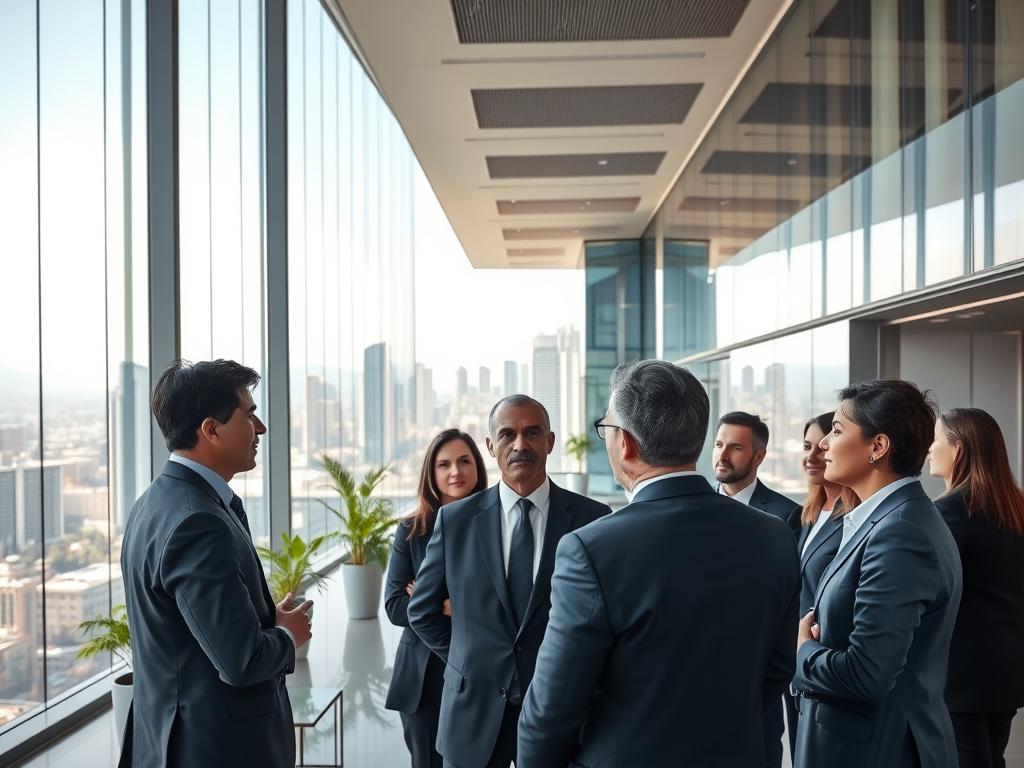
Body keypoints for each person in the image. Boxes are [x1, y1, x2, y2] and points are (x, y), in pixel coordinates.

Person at [517, 360, 799, 768]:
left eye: (607, 430)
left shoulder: (591, 548)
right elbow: (775, 672)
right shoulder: (774, 536)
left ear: (626, 443)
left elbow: (552, 709)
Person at [119, 360, 312, 768]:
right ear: (211, 429)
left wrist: (263, 618)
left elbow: (188, 635)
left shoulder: (153, 503)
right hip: (216, 748)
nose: (260, 429)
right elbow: (241, 663)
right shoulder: (198, 521)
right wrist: (287, 635)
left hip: (171, 737)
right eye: (249, 414)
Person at [408, 395, 610, 768]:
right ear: (490, 446)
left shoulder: (593, 519)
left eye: (532, 433)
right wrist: (468, 662)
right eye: (507, 434)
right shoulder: (455, 521)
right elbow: (420, 612)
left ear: (549, 442)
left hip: (560, 717)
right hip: (472, 716)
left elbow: (605, 620)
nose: (520, 444)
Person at [792, 379, 962, 768]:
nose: (822, 445)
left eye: (836, 431)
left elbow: (865, 674)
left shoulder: (901, 533)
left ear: (878, 447)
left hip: (876, 751)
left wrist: (803, 651)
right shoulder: (887, 521)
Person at [385, 429, 488, 768]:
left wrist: (433, 602)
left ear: (477, 466)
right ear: (431, 473)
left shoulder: (496, 525)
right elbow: (395, 606)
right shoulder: (411, 530)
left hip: (483, 667)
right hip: (424, 675)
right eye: (443, 465)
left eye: (463, 461)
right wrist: (450, 606)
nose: (455, 471)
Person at [929, 408, 1024, 768]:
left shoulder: (948, 510)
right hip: (1007, 668)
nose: (928, 449)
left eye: (936, 440)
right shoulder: (1016, 507)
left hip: (960, 674)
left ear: (959, 448)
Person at [712, 409, 801, 766]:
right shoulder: (688, 506)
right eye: (719, 444)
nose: (722, 454)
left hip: (756, 678)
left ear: (759, 456)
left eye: (735, 447)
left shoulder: (786, 515)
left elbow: (784, 600)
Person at [782, 412, 858, 755]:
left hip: (824, 658)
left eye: (821, 445)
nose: (812, 456)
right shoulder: (807, 513)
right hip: (797, 656)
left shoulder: (853, 516)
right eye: (807, 446)